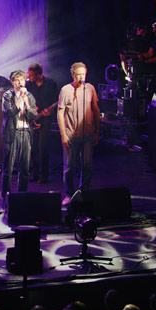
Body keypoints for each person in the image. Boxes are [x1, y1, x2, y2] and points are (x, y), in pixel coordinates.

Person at [57, 62, 101, 204]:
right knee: (69, 167)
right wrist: (63, 134)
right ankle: (69, 194)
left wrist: (97, 130)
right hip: (71, 135)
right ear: (73, 75)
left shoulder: (90, 89)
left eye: (83, 74)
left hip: (88, 134)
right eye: (79, 74)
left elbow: (95, 109)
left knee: (87, 165)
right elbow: (60, 112)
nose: (81, 77)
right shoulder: (66, 90)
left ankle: (84, 193)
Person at [2, 70, 37, 198]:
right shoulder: (8, 96)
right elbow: (9, 113)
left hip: (26, 133)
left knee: (25, 168)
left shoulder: (30, 96)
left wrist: (27, 103)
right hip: (12, 133)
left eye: (22, 80)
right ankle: (6, 198)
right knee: (9, 168)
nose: (20, 82)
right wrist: (19, 99)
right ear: (12, 82)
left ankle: (22, 196)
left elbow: (33, 115)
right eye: (17, 80)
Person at [26, 62, 60, 184]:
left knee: (43, 148)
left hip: (45, 120)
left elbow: (57, 102)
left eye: (31, 75)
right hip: (33, 118)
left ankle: (43, 175)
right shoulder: (29, 85)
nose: (28, 77)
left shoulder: (50, 84)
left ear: (38, 74)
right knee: (33, 148)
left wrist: (49, 111)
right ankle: (34, 173)